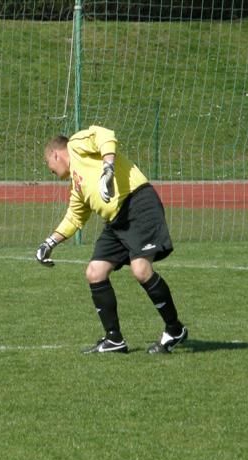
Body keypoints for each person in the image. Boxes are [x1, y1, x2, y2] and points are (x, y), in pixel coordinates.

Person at [36, 125, 187, 354]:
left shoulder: (75, 145)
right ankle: (114, 339)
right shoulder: (76, 184)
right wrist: (49, 243)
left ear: (55, 154)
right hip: (116, 221)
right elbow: (75, 217)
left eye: (49, 164)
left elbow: (104, 135)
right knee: (95, 272)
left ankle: (174, 329)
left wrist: (108, 168)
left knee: (141, 269)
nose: (51, 171)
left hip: (137, 203)